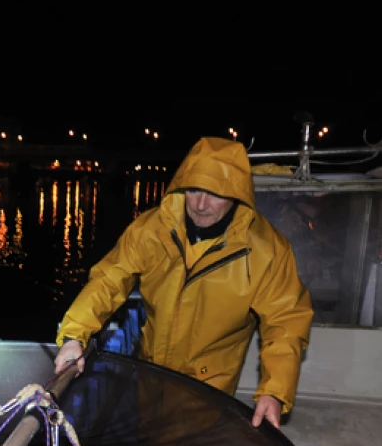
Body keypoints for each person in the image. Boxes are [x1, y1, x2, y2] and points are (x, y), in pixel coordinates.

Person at [54, 136, 313, 429]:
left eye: (215, 193)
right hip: (151, 371)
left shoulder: (268, 251)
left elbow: (286, 322)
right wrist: (75, 335)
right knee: (150, 441)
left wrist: (274, 391)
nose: (201, 205)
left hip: (210, 384)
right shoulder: (151, 229)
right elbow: (108, 281)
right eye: (194, 190)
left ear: (237, 195)